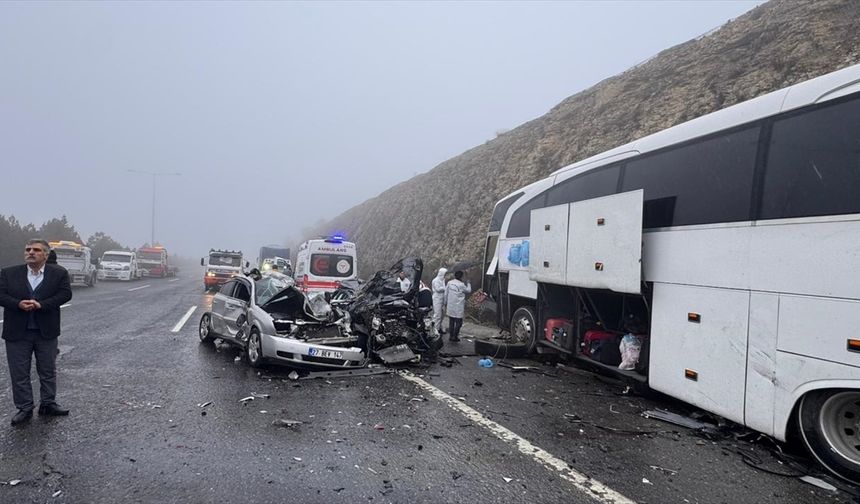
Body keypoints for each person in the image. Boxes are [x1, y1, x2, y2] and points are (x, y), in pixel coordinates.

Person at [0, 239, 73, 426]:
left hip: (45, 331)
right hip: (17, 332)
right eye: (28, 249)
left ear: (45, 255)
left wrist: (41, 305)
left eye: (36, 250)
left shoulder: (58, 273)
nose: (31, 252)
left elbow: (65, 294)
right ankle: (24, 408)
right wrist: (17, 304)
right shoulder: (9, 273)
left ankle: (48, 404)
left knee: (47, 370)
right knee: (19, 373)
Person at [445, 270, 471, 342]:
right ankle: (455, 336)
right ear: (461, 277)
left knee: (451, 321)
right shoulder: (462, 285)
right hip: (458, 306)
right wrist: (468, 283)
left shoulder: (450, 283)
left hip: (451, 305)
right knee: (459, 322)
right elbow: (468, 290)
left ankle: (451, 336)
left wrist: (445, 302)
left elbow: (446, 293)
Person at [431, 267, 447, 335]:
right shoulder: (436, 280)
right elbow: (438, 289)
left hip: (442, 299)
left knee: (442, 314)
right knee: (437, 315)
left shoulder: (442, 280)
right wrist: (445, 288)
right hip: (437, 299)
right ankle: (435, 330)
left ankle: (439, 327)